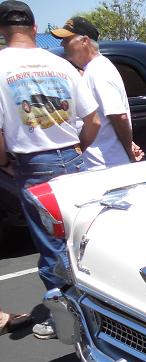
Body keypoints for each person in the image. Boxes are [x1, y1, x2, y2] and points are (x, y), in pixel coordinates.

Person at [0, 0, 100, 339]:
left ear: (2, 31)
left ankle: (66, 318)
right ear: (34, 28)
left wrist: (4, 164)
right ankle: (98, 309)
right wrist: (78, 150)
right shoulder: (61, 65)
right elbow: (93, 120)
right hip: (72, 157)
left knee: (51, 243)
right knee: (81, 237)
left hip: (33, 162)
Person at [51, 17, 143, 170]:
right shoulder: (93, 69)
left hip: (106, 165)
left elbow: (118, 116)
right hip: (103, 164)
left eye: (67, 40)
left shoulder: (99, 71)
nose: (62, 44)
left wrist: (128, 152)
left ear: (85, 41)